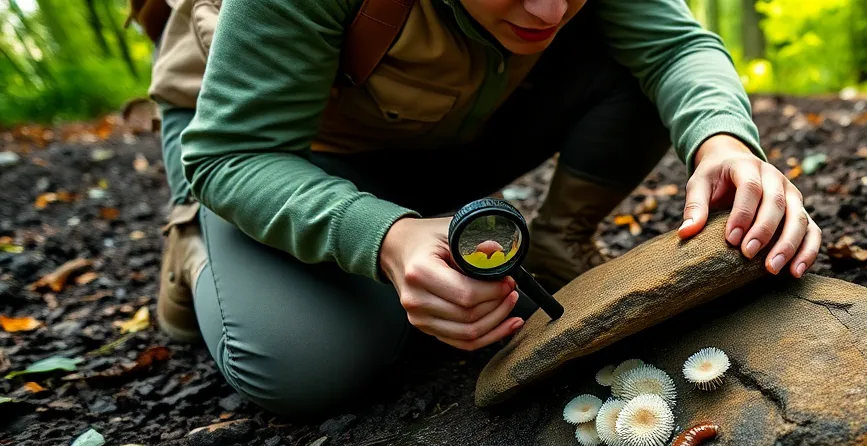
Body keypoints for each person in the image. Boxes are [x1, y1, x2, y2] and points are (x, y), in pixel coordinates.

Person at [150, 0, 821, 417]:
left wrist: (724, 143)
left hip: (452, 122)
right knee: (307, 364)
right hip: (293, 146)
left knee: (639, 64)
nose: (551, 10)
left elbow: (674, 47)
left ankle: (559, 243)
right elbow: (230, 156)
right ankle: (200, 243)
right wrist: (383, 236)